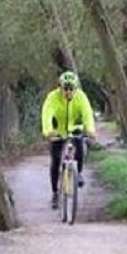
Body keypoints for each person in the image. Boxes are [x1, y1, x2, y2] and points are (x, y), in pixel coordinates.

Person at [41, 71, 97, 209]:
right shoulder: (52, 97)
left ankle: (79, 173)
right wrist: (48, 131)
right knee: (55, 159)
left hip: (75, 127)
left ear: (76, 88)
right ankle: (55, 193)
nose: (68, 91)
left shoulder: (81, 97)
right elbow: (47, 114)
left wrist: (90, 129)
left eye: (71, 88)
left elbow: (87, 114)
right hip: (58, 129)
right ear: (60, 87)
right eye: (65, 88)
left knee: (80, 148)